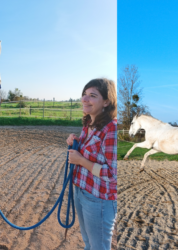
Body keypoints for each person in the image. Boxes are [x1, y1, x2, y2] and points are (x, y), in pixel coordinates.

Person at [66, 78, 117, 250]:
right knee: (88, 243)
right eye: (84, 94)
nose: (85, 99)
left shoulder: (111, 129)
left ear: (106, 102)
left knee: (98, 247)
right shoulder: (89, 123)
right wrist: (76, 141)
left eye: (92, 95)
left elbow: (112, 175)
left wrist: (81, 161)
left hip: (98, 199)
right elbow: (93, 150)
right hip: (81, 191)